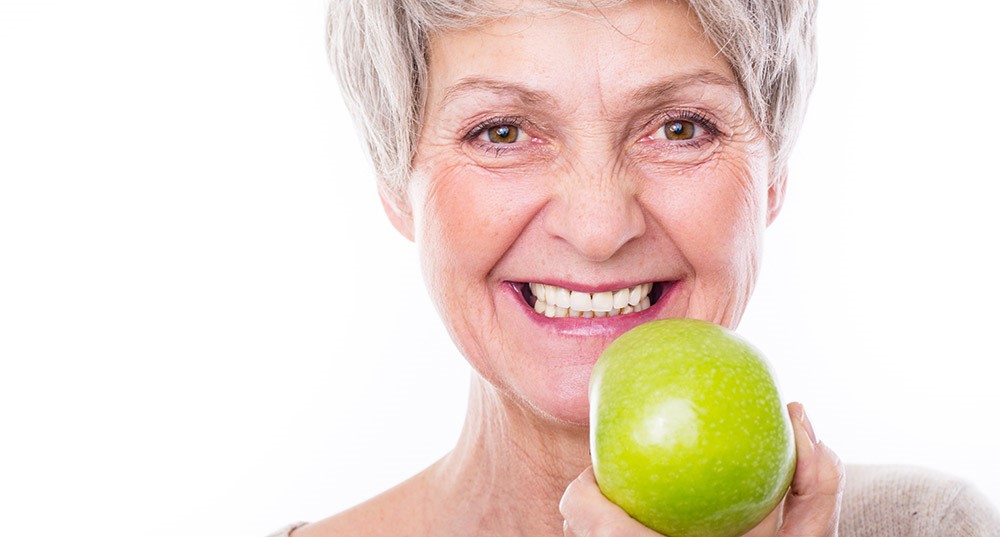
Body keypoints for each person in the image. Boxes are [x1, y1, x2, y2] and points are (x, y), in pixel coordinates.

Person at [270, 0, 1000, 535]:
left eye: (681, 128)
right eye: (502, 131)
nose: (598, 228)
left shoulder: (925, 526)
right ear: (399, 183)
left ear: (773, 172)